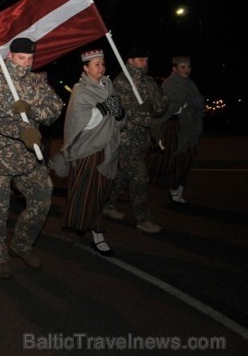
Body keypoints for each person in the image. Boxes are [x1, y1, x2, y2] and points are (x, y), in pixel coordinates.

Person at [0, 37, 63, 279]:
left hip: (29, 157)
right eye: (21, 58)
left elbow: (55, 108)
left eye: (30, 59)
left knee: (43, 197)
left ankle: (21, 244)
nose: (26, 63)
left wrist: (32, 110)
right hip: (0, 157)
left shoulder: (37, 81)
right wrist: (21, 130)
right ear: (10, 57)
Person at [50, 49, 125, 256]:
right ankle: (96, 232)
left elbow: (118, 118)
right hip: (87, 149)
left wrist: (120, 113)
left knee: (101, 193)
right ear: (85, 68)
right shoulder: (80, 90)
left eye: (102, 64)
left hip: (108, 148)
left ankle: (95, 229)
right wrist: (102, 109)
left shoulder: (109, 86)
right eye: (96, 64)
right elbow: (78, 123)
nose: (101, 68)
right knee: (85, 193)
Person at [102, 46, 168, 234]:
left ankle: (108, 204)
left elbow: (162, 104)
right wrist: (151, 121)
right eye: (140, 60)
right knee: (140, 175)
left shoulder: (148, 82)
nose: (144, 63)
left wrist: (150, 108)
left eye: (146, 60)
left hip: (142, 139)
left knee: (123, 175)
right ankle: (142, 219)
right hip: (125, 138)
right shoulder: (121, 82)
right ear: (130, 61)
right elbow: (124, 111)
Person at [147, 55, 204, 204]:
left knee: (187, 159)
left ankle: (178, 189)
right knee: (172, 160)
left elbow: (196, 102)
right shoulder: (169, 84)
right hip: (174, 127)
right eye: (183, 67)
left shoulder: (190, 83)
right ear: (175, 68)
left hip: (189, 126)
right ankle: (168, 185)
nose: (186, 70)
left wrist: (196, 105)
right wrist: (186, 105)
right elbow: (167, 107)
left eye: (188, 67)